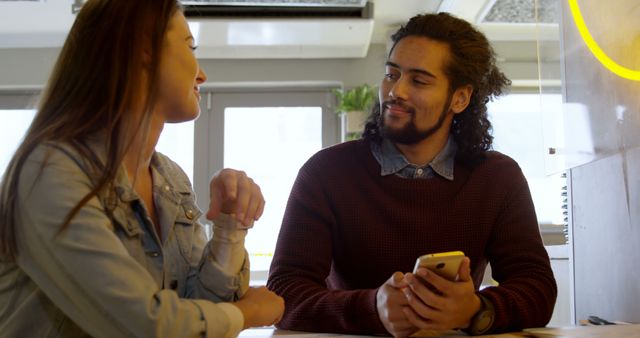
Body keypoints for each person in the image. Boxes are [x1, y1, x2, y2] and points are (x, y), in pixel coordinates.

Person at [0, 1, 283, 337]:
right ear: (143, 49)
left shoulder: (170, 179)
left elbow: (197, 305)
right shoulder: (48, 171)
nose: (202, 74)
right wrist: (247, 313)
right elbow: (141, 326)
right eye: (190, 47)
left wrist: (230, 228)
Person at [267, 12, 556, 337]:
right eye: (392, 74)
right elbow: (283, 293)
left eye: (418, 80)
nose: (396, 91)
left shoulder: (499, 179)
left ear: (459, 98)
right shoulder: (325, 174)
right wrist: (373, 308)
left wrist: (476, 310)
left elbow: (538, 289)